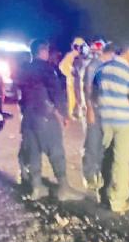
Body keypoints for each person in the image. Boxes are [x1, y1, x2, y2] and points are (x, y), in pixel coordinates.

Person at [17, 39, 84, 202]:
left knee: (33, 154)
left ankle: (37, 187)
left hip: (28, 119)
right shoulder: (47, 69)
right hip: (44, 117)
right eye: (47, 50)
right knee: (56, 152)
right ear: (43, 51)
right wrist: (64, 115)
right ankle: (63, 188)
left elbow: (19, 95)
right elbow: (56, 94)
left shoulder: (23, 69)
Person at [94, 40, 129, 214]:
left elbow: (93, 93)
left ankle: (102, 194)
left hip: (104, 120)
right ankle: (118, 201)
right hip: (124, 123)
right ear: (128, 53)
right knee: (121, 162)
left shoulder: (102, 69)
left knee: (105, 158)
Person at [82, 40, 115, 191]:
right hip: (95, 109)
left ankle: (99, 175)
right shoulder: (94, 66)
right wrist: (89, 109)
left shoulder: (108, 66)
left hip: (106, 111)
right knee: (92, 144)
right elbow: (88, 89)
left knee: (103, 145)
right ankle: (89, 176)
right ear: (111, 53)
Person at [58, 37, 86, 120]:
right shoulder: (72, 55)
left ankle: (77, 113)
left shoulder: (77, 55)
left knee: (78, 98)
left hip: (77, 82)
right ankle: (75, 113)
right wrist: (71, 74)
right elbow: (62, 66)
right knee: (75, 98)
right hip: (74, 82)